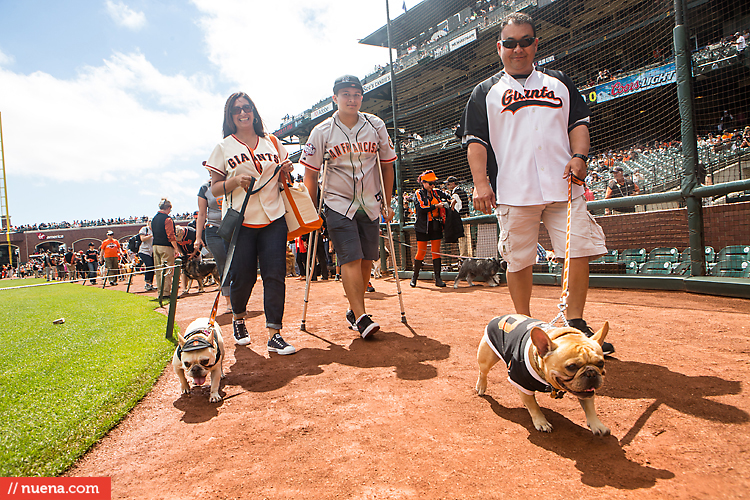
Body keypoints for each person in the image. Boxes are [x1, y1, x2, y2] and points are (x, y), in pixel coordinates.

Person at [458, 12, 613, 355]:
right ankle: (524, 327)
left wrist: (581, 156)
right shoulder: (485, 92)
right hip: (514, 190)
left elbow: (579, 122)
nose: (518, 49)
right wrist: (481, 183)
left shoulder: (559, 82)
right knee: (519, 260)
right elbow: (475, 143)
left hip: (564, 185)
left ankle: (575, 323)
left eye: (525, 41)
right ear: (499, 48)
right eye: (510, 43)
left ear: (535, 44)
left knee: (577, 252)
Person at [302, 75, 396, 339]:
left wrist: (387, 202)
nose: (351, 99)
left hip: (370, 202)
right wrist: (311, 211)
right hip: (337, 203)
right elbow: (310, 174)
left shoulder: (375, 124)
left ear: (361, 98)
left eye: (356, 94)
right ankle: (362, 316)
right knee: (350, 257)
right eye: (345, 94)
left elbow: (387, 165)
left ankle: (356, 311)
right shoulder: (321, 131)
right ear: (335, 98)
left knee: (368, 258)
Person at [205, 92, 296, 355]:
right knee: (243, 277)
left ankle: (274, 334)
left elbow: (283, 180)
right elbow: (216, 189)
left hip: (273, 217)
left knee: (275, 274)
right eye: (236, 110)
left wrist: (286, 170)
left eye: (247, 108)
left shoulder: (273, 142)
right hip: (241, 221)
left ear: (254, 112)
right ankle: (239, 318)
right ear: (229, 116)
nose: (243, 113)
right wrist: (235, 181)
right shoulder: (223, 147)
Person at [195, 178, 231, 311]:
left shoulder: (232, 181)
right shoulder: (205, 188)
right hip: (213, 230)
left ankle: (239, 296)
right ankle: (229, 301)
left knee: (237, 263)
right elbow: (202, 213)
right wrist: (198, 237)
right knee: (223, 263)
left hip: (233, 227)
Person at [410, 170, 450, 288]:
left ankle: (438, 279)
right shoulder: (418, 193)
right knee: (421, 252)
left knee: (436, 252)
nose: (433, 185)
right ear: (424, 183)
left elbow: (447, 196)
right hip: (423, 227)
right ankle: (415, 277)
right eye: (430, 183)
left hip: (435, 225)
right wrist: (436, 206)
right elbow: (422, 207)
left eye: (434, 183)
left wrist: (451, 200)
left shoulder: (436, 192)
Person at [152, 198, 182, 298]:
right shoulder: (167, 219)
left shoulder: (154, 218)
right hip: (165, 247)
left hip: (155, 246)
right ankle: (166, 293)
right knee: (167, 270)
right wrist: (176, 248)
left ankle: (160, 292)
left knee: (159, 270)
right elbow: (171, 235)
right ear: (168, 208)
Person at [446, 175, 473, 259]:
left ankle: (463, 257)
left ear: (453, 183)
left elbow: (458, 208)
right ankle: (469, 256)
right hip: (466, 216)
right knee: (467, 238)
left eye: (448, 184)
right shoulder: (462, 191)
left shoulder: (455, 193)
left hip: (460, 217)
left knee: (462, 238)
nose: (447, 186)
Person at [137, 219, 155, 292]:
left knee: (153, 267)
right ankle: (147, 282)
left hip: (152, 251)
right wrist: (151, 235)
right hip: (144, 251)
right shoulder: (144, 229)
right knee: (149, 265)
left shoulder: (156, 230)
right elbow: (142, 239)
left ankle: (150, 283)